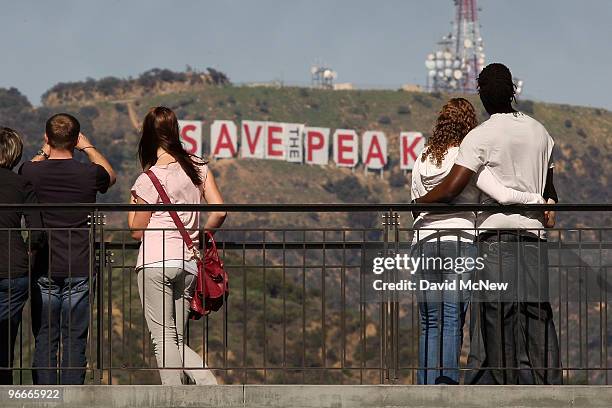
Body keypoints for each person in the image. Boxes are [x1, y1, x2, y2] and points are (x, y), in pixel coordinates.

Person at [414, 63, 561, 385]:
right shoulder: (540, 132)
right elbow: (550, 192)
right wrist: (546, 209)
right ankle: (549, 385)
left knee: (496, 314)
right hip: (534, 237)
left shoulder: (479, 137)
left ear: (481, 93)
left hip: (495, 237)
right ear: (513, 91)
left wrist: (418, 203)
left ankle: (502, 385)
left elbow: (452, 188)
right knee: (538, 313)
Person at [128, 106, 226, 385]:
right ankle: (203, 387)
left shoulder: (148, 179)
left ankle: (193, 390)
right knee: (177, 339)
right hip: (187, 262)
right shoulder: (198, 167)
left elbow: (136, 231)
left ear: (147, 136)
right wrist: (201, 237)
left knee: (163, 340)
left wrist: (132, 201)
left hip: (155, 263)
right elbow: (219, 211)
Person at [20, 113, 116, 384]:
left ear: (48, 138)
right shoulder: (89, 173)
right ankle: (72, 396)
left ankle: (44, 397)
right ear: (75, 140)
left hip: (43, 265)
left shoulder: (32, 171)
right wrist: (88, 147)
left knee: (45, 335)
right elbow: (110, 176)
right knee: (75, 336)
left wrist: (44, 150)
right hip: (80, 264)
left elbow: (27, 167)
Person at [0, 128, 45, 384]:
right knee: (6, 335)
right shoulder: (21, 183)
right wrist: (29, 256)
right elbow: (37, 231)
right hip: (13, 267)